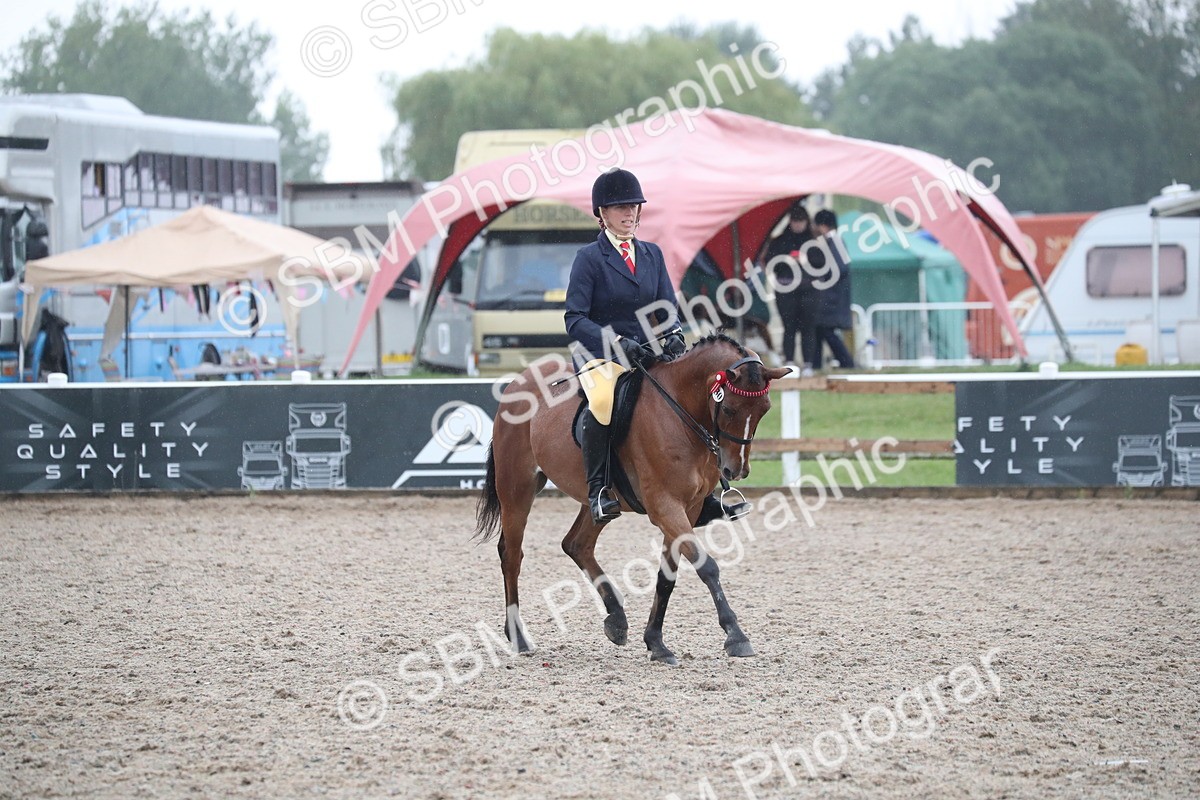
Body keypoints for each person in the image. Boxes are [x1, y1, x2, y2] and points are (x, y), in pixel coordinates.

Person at [564, 168, 749, 525]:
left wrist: (674, 334)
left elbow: (666, 309)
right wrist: (617, 343)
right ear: (601, 213)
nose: (629, 213)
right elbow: (575, 319)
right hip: (601, 356)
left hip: (647, 353)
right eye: (620, 208)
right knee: (603, 402)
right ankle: (599, 490)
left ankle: (709, 493)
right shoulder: (589, 258)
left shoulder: (651, 254)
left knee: (693, 397)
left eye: (634, 206)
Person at [761, 201, 816, 367]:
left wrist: (806, 261)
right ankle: (790, 362)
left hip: (809, 291)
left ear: (807, 222)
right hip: (785, 290)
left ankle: (808, 364)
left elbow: (822, 265)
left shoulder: (815, 242)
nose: (798, 225)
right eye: (795, 221)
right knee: (789, 327)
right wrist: (786, 260)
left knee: (808, 328)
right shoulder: (779, 241)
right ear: (790, 221)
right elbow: (770, 263)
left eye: (801, 221)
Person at [806, 209, 856, 369]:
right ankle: (816, 365)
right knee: (819, 331)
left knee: (826, 331)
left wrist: (820, 276)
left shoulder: (834, 242)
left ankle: (847, 363)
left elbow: (840, 269)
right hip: (830, 296)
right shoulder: (832, 242)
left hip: (831, 297)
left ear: (822, 225)